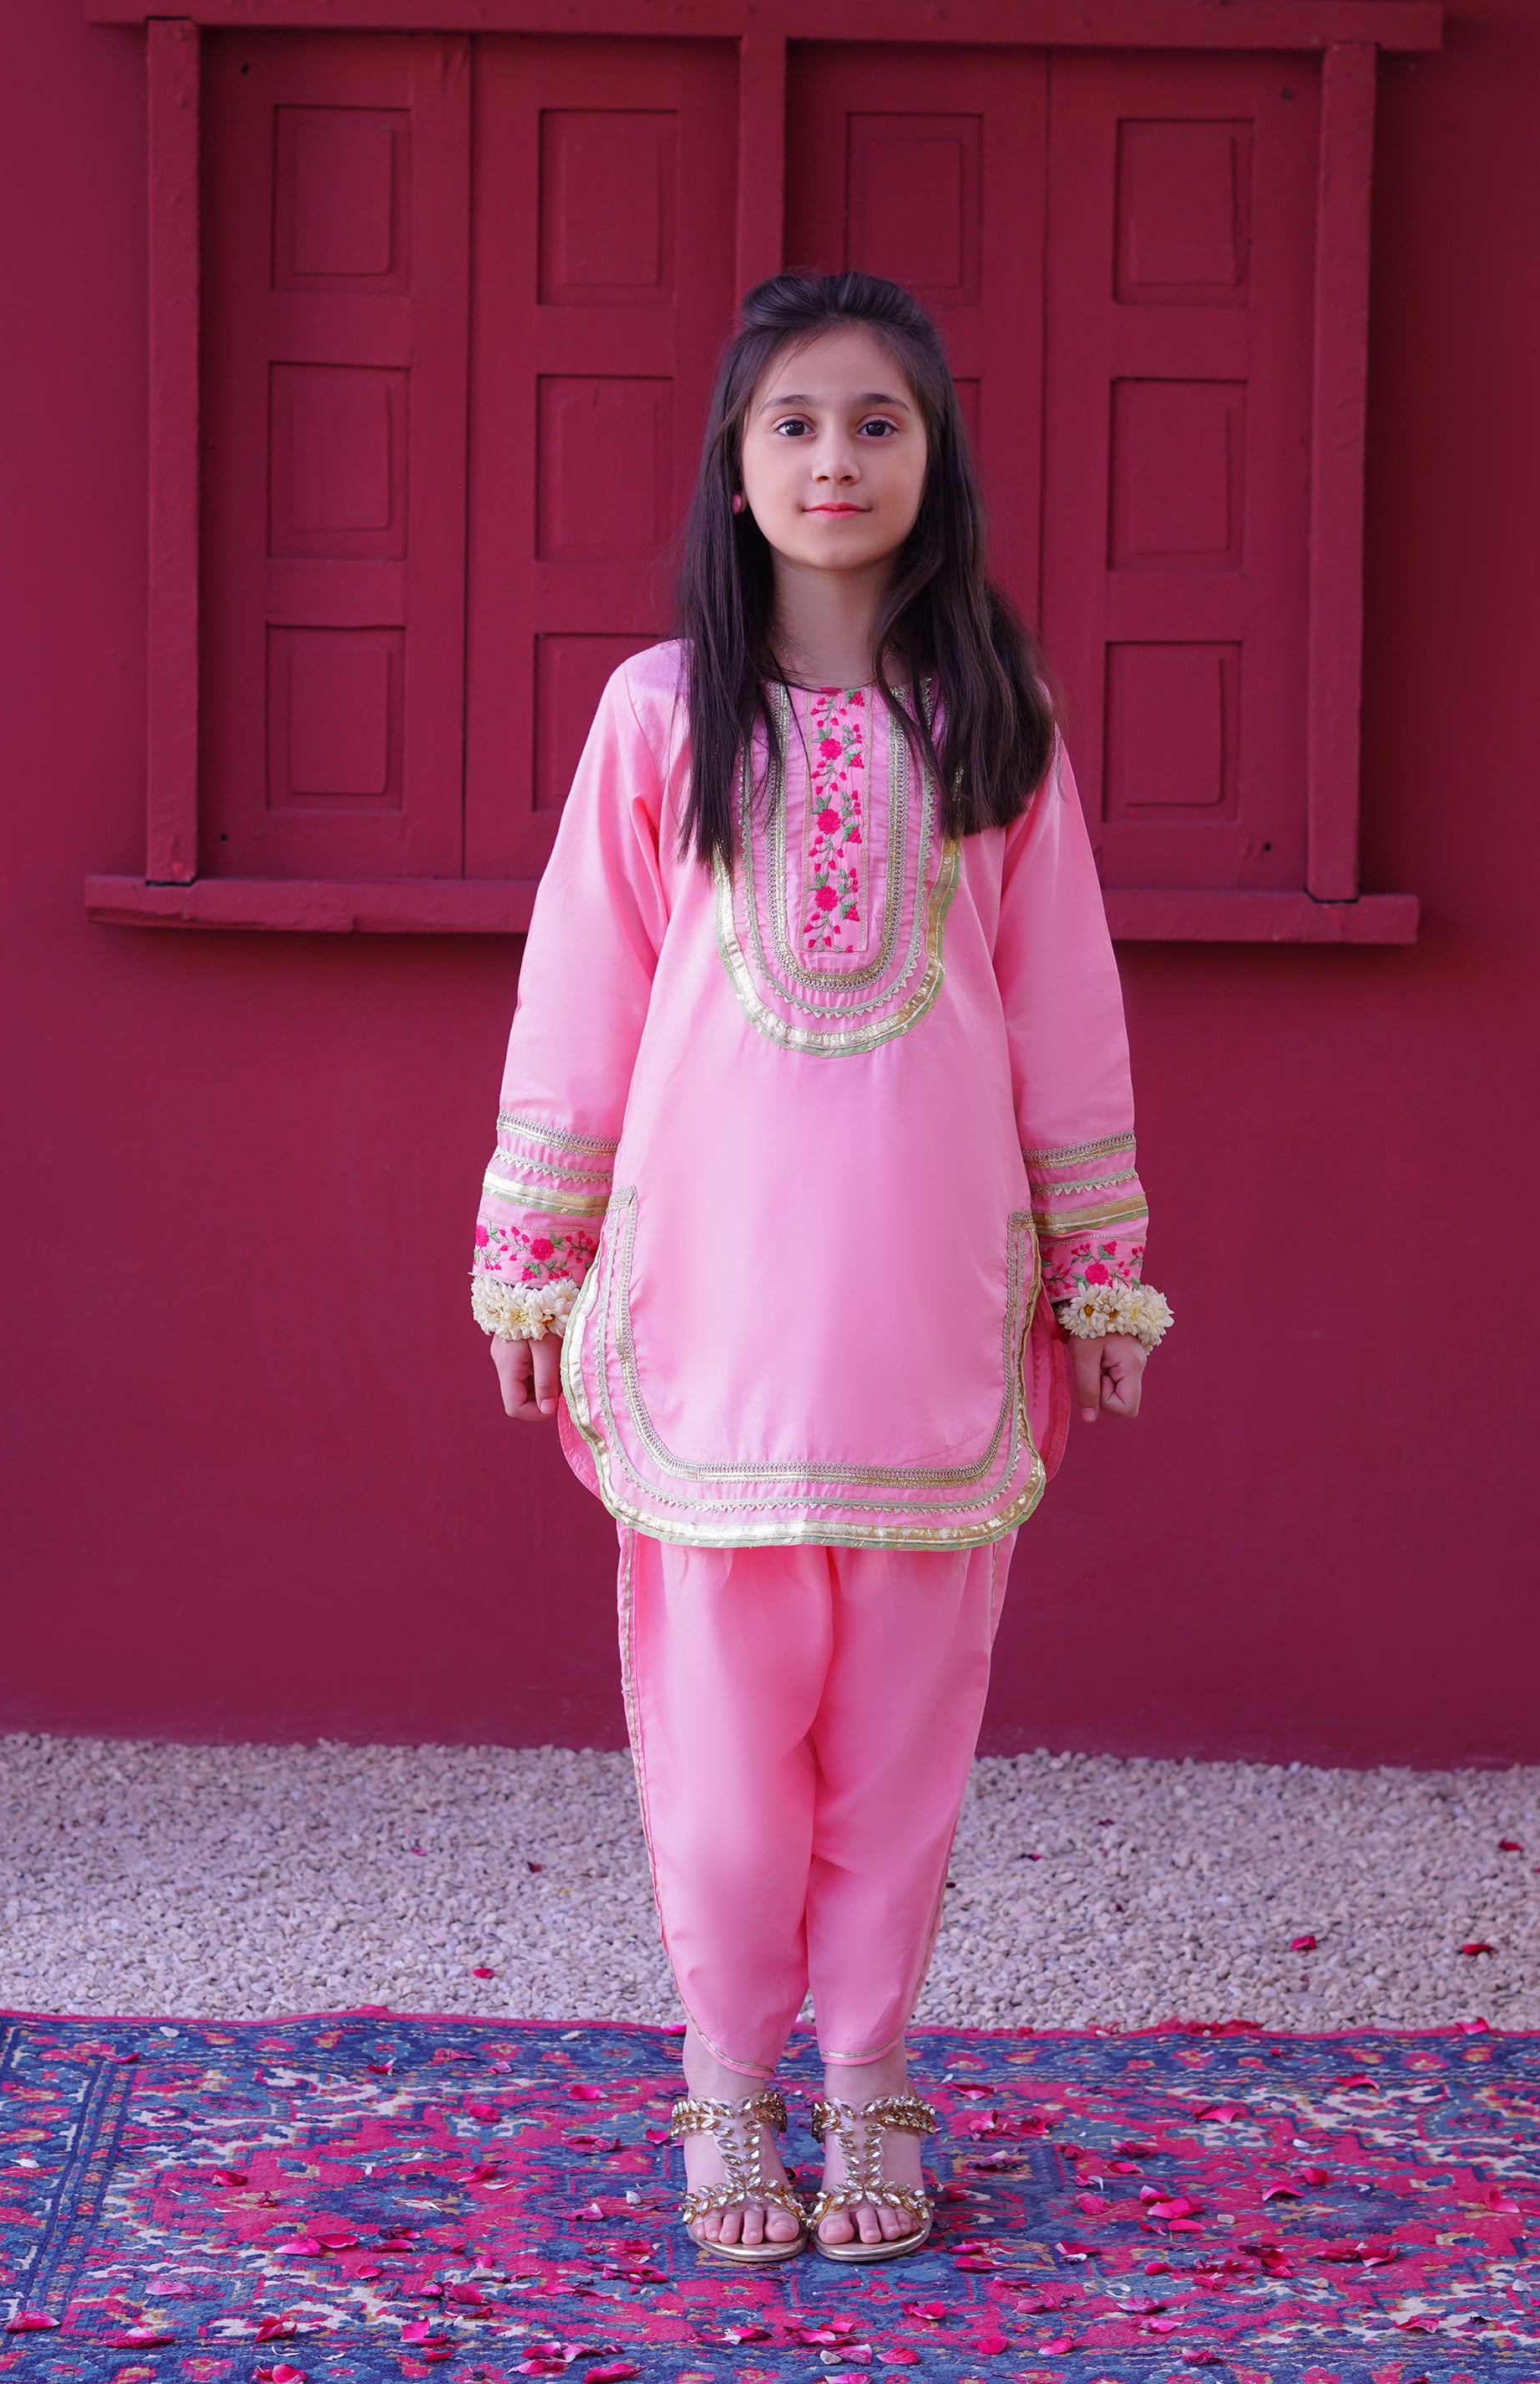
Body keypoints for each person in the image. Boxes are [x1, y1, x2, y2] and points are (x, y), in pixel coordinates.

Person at [471, 271, 1171, 2268]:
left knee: (901, 1745)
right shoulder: (656, 716)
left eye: (877, 422)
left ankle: (866, 2069)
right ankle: (724, 2074)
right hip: (712, 1323)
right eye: (793, 423)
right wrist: (536, 1252)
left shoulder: (993, 717)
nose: (835, 459)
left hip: (931, 1319)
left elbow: (1067, 1007)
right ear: (736, 461)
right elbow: (582, 1002)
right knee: (716, 1769)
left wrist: (1099, 1267)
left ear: (932, 462)